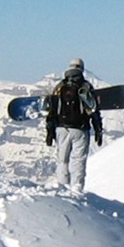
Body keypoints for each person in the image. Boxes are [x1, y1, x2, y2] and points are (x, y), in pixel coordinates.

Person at [43, 58, 102, 191]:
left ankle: (62, 186)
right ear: (82, 68)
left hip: (61, 128)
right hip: (80, 129)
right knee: (78, 159)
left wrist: (50, 131)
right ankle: (77, 187)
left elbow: (52, 109)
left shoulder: (60, 87)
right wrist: (98, 129)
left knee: (62, 160)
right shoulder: (85, 86)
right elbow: (92, 109)